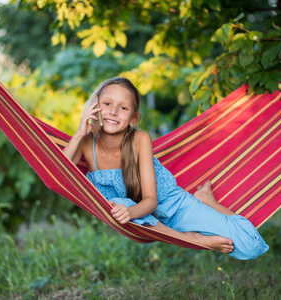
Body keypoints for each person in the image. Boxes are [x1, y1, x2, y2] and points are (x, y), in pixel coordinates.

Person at [63, 77, 269, 260]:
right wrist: (79, 132)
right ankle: (194, 239)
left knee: (250, 246)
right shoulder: (85, 142)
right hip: (143, 221)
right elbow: (60, 173)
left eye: (123, 108)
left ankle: (205, 201)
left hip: (172, 207)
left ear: (133, 119)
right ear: (96, 105)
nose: (113, 112)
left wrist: (130, 211)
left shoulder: (140, 140)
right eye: (107, 103)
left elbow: (151, 201)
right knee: (116, 202)